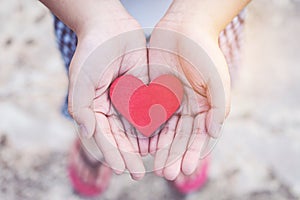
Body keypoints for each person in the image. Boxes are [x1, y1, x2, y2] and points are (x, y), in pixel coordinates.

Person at [40, 0, 251, 197]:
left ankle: (186, 144)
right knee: (92, 95)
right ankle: (91, 139)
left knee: (201, 93)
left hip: (210, 13)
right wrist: (92, 18)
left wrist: (199, 20)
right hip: (86, 13)